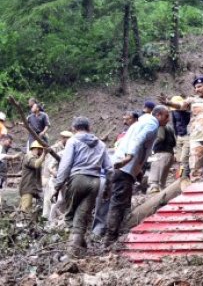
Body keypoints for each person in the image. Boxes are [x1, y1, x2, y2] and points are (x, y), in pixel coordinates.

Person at [106, 106, 169, 245]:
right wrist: (129, 157)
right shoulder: (152, 124)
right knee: (118, 204)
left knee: (122, 202)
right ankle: (110, 239)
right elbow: (138, 140)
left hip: (124, 168)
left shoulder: (140, 122)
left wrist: (138, 168)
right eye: (166, 116)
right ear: (158, 115)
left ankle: (118, 233)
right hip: (124, 169)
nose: (168, 119)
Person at [53, 117, 112, 257]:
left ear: (74, 128)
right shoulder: (101, 144)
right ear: (89, 128)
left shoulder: (72, 141)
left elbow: (65, 165)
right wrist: (108, 187)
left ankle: (72, 251)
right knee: (81, 216)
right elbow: (109, 169)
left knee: (69, 216)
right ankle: (79, 247)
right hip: (95, 182)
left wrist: (57, 186)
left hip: (78, 179)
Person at [42, 130, 72, 218]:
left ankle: (58, 220)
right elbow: (48, 164)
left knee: (62, 201)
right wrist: (46, 176)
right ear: (62, 138)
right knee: (50, 199)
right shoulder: (55, 149)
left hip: (64, 180)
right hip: (54, 178)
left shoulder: (70, 148)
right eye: (66, 138)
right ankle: (47, 219)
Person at [146, 119, 177, 193]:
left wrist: (151, 147)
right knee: (161, 184)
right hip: (169, 154)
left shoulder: (160, 126)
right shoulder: (169, 127)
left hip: (160, 154)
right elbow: (174, 142)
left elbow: (160, 137)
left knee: (154, 184)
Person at [19, 141, 47, 212]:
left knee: (43, 204)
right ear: (37, 149)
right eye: (41, 150)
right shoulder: (29, 156)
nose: (42, 152)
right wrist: (44, 154)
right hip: (28, 187)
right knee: (25, 210)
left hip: (35, 188)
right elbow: (36, 164)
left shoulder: (36, 157)